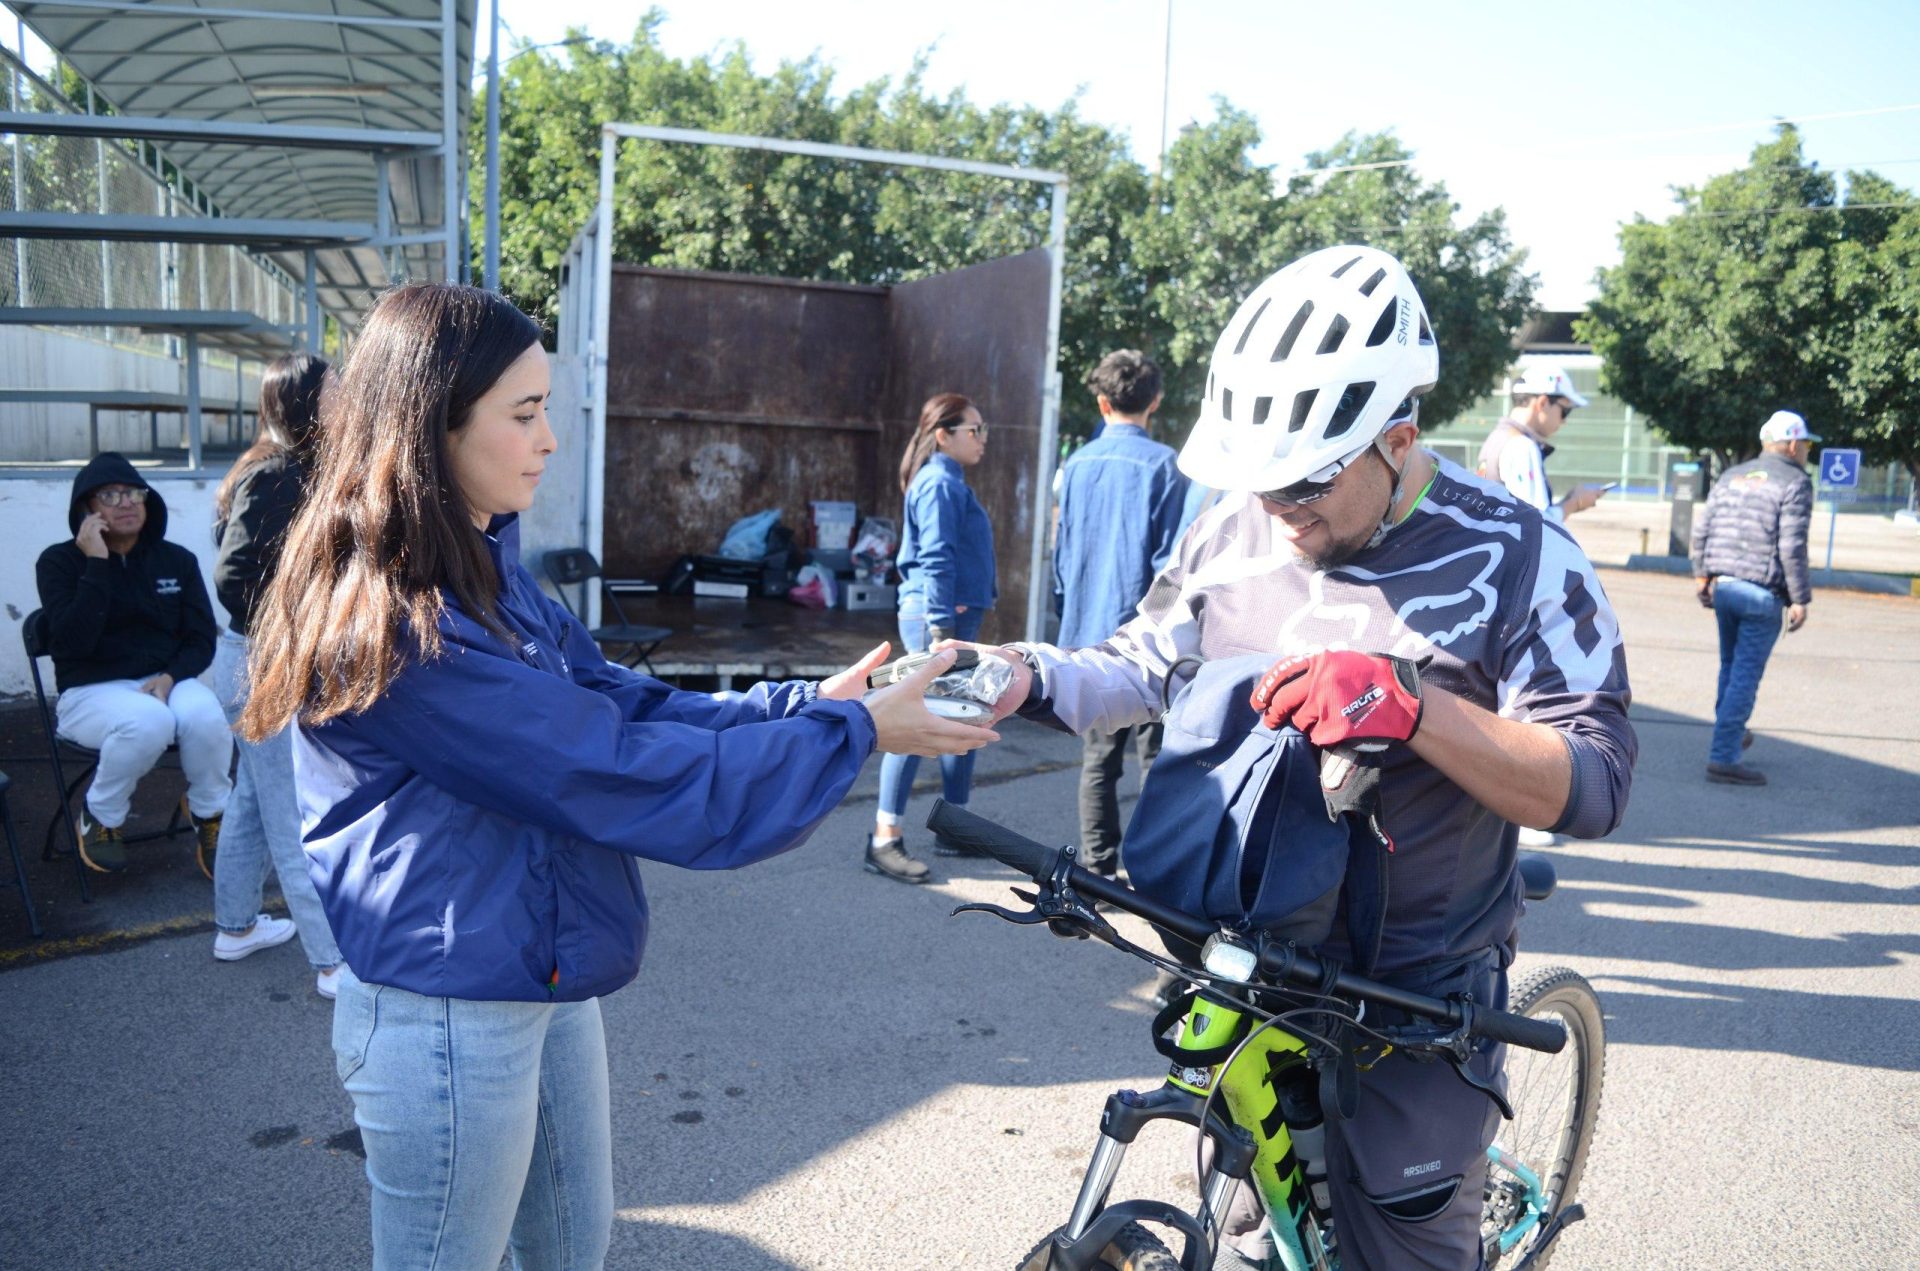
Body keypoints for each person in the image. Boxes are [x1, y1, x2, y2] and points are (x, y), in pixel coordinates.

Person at [236, 282, 993, 1269]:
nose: (549, 439)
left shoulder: (483, 568)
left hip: (540, 977)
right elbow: (609, 765)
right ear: (430, 424)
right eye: (525, 413)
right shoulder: (394, 619)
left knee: (570, 1252)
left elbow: (616, 702)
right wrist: (844, 732)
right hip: (450, 1014)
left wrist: (806, 706)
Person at [954, 246, 1637, 1271]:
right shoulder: (1237, 527)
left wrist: (1413, 708)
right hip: (1253, 953)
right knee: (1247, 1222)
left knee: (1403, 1238)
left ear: (1398, 436)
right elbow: (1141, 660)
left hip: (1419, 987)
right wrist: (1021, 673)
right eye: (1261, 483)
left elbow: (1593, 780)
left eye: (1306, 483)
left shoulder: (1522, 556)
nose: (1282, 510)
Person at [207, 353, 345, 992]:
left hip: (251, 660)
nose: (346, 398)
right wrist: (287, 631)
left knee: (253, 798)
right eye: (335, 390)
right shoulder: (276, 474)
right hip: (260, 662)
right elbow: (233, 576)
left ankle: (235, 926)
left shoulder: (282, 468)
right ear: (307, 403)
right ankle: (330, 962)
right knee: (291, 809)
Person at [34, 452, 230, 875]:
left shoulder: (175, 561)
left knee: (207, 715)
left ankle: (211, 814)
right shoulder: (58, 563)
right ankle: (101, 814)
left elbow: (199, 638)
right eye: (110, 495)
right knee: (149, 722)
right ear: (87, 510)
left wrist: (171, 676)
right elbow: (72, 641)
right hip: (89, 691)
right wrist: (97, 563)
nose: (126, 503)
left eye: (134, 492)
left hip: (164, 680)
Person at [1053, 350, 1188, 877]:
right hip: (1151, 641)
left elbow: (1064, 558)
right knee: (1156, 761)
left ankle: (1097, 866)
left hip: (1089, 635)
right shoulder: (1166, 465)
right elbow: (1169, 567)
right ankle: (1154, 865)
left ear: (1102, 402)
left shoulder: (1078, 464)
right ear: (1154, 401)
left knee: (1098, 761)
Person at [865, 392, 998, 884]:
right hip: (936, 622)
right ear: (943, 434)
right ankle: (883, 839)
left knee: (965, 716)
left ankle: (954, 828)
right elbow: (936, 558)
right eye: (974, 430)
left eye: (984, 429)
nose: (982, 439)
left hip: (952, 619)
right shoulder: (939, 482)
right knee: (912, 722)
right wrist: (942, 631)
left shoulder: (950, 480)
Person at [1689, 408, 1816, 787]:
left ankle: (1730, 732)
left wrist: (1701, 574)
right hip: (1762, 593)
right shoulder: (1795, 482)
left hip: (1724, 587)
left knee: (1730, 669)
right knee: (1743, 675)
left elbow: (1704, 527)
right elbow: (1791, 546)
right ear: (1793, 444)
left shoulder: (1731, 476)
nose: (1807, 450)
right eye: (1806, 444)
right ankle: (1724, 755)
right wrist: (1800, 598)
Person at [1477, 364, 1609, 523]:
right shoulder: (1522, 447)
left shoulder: (1497, 437)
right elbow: (1537, 523)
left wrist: (1569, 501)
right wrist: (1575, 503)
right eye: (1565, 411)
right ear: (1543, 402)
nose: (1564, 421)